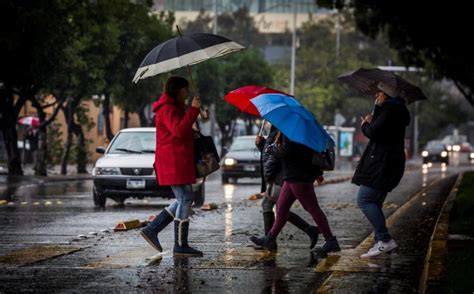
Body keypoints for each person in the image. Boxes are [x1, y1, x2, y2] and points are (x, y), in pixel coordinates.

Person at [140, 76, 203, 257]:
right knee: (185, 198)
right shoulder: (167, 108)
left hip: (177, 159)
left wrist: (195, 113)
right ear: (177, 90)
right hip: (173, 160)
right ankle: (180, 245)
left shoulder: (173, 108)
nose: (187, 93)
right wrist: (193, 110)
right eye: (185, 90)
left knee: (184, 197)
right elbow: (178, 131)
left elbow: (181, 129)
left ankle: (153, 229)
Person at [250, 131, 340, 255]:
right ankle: (270, 239)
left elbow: (286, 152)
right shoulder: (297, 131)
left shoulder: (290, 132)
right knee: (281, 208)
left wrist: (271, 148)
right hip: (291, 175)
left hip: (299, 176)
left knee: (312, 208)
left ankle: (330, 240)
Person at [353, 82, 411, 258]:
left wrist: (365, 124)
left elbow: (374, 133)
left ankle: (385, 240)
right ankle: (380, 243)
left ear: (386, 94)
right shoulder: (395, 110)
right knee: (375, 202)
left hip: (382, 163)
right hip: (388, 163)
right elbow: (381, 131)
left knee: (364, 199)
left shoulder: (389, 111)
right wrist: (377, 112)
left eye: (379, 93)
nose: (376, 95)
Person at [255, 124, 320, 250]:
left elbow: (277, 155)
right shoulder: (274, 130)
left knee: (274, 207)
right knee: (279, 208)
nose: (266, 121)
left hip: (280, 175)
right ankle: (271, 239)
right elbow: (269, 152)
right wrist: (260, 144)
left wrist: (269, 178)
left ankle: (270, 240)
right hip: (281, 175)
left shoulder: (281, 130)